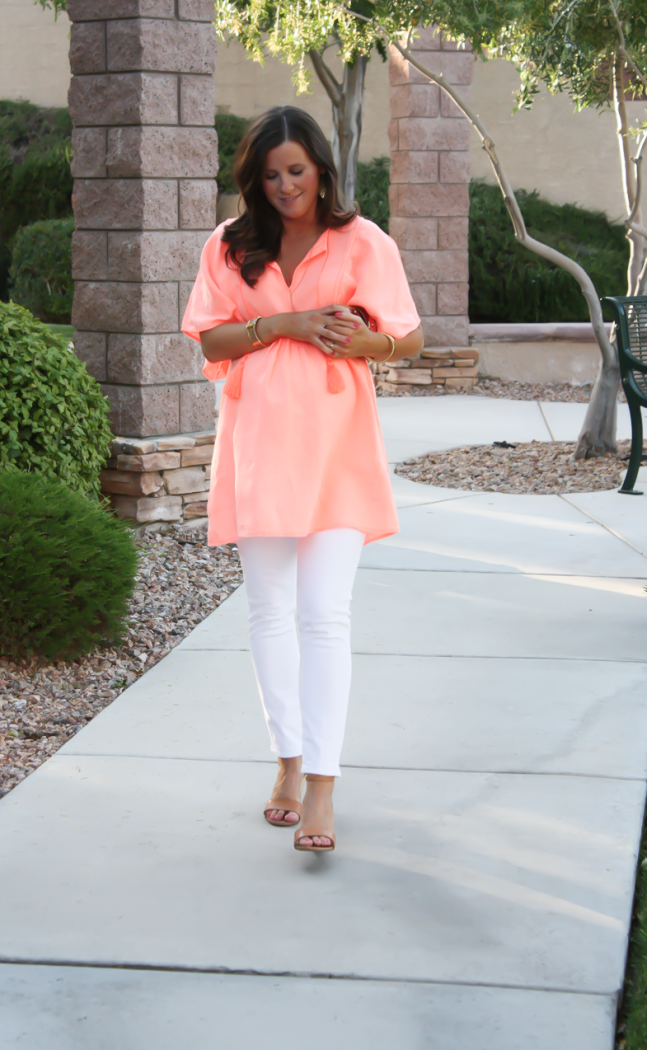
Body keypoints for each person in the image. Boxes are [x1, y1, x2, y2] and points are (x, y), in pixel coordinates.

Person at [182, 105, 423, 853]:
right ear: (253, 179)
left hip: (337, 449)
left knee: (325, 615)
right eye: (269, 173)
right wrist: (283, 324)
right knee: (269, 614)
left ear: (321, 167)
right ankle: (286, 761)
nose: (284, 185)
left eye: (296, 170)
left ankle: (322, 782)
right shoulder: (229, 244)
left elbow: (408, 339)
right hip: (257, 446)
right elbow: (208, 337)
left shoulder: (363, 240)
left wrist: (366, 340)